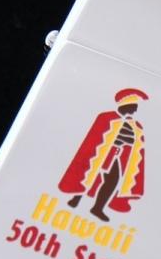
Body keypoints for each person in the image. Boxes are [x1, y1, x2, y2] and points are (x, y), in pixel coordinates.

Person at [58, 88, 148, 221]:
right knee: (89, 173)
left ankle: (98, 208)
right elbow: (95, 136)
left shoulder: (135, 126)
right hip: (102, 152)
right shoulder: (106, 117)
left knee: (113, 180)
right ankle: (76, 198)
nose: (135, 110)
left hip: (118, 157)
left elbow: (137, 144)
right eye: (133, 106)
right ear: (126, 105)